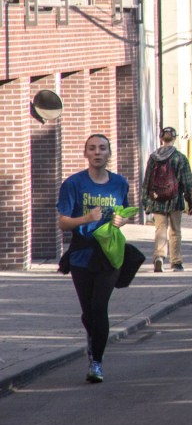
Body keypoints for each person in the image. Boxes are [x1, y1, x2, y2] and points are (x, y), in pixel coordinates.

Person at [57, 134, 132, 383]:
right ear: (85, 153)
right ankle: (93, 336)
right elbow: (63, 222)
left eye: (102, 148)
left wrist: (122, 220)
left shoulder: (120, 183)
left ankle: (96, 362)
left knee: (100, 308)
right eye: (92, 148)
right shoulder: (73, 184)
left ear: (109, 153)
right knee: (89, 312)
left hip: (109, 253)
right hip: (81, 254)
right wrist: (86, 219)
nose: (97, 152)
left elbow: (126, 211)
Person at [142, 126, 192, 272]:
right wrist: (191, 202)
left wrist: (145, 201)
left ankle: (159, 256)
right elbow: (187, 182)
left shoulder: (153, 158)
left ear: (161, 138)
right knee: (175, 231)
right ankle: (176, 262)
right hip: (175, 200)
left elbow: (147, 181)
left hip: (157, 200)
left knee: (160, 229)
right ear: (174, 138)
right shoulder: (180, 158)